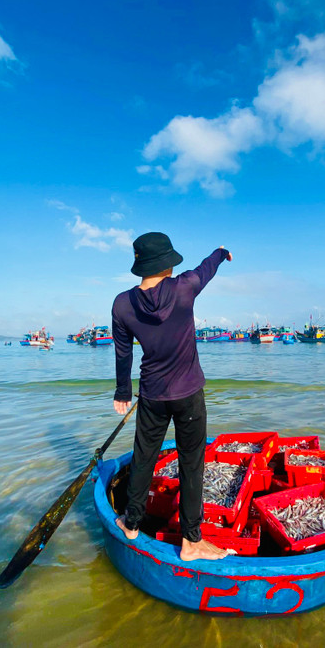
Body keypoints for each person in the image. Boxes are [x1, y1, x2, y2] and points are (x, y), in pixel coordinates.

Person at [111, 232, 233, 561]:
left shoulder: (122, 304)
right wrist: (221, 253)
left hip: (152, 394)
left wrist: (123, 391)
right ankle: (191, 542)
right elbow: (206, 267)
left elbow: (123, 354)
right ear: (168, 265)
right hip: (189, 393)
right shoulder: (184, 288)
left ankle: (132, 522)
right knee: (191, 464)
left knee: (144, 457)